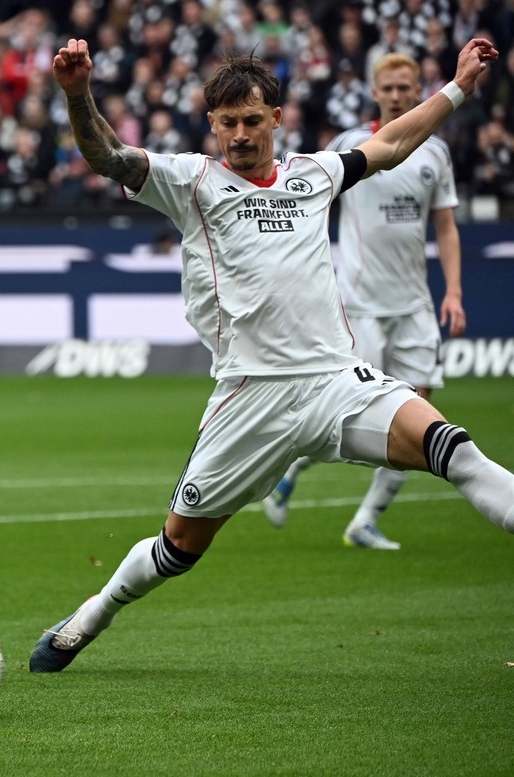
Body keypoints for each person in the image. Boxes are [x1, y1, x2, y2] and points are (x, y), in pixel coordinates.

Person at [30, 37, 512, 674]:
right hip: (248, 397)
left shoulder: (313, 175)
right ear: (212, 125)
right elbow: (109, 156)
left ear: (276, 120)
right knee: (178, 546)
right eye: (227, 123)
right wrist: (76, 94)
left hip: (336, 382)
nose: (239, 135)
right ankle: (92, 615)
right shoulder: (190, 181)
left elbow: (391, 143)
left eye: (252, 121)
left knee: (455, 448)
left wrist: (457, 89)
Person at [263, 54, 467, 550]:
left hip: (415, 308)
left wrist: (454, 292)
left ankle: (365, 521)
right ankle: (291, 469)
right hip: (360, 308)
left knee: (420, 421)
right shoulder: (348, 147)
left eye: (406, 87)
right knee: (348, 415)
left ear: (419, 88)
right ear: (374, 91)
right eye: (389, 87)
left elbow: (445, 225)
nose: (397, 95)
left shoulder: (435, 154)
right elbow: (306, 209)